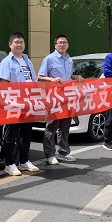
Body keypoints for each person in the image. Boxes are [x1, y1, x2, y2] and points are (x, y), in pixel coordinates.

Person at [37, 34, 83, 164]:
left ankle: (63, 152)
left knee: (65, 126)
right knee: (52, 126)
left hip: (67, 97)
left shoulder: (69, 59)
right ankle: (50, 154)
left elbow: (68, 76)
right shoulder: (49, 59)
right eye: (60, 42)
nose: (62, 44)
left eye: (64, 42)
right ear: (55, 45)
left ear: (68, 44)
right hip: (54, 97)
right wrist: (52, 79)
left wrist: (76, 77)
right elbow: (40, 76)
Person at [0, 32, 40, 176]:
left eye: (21, 42)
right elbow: (3, 84)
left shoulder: (28, 61)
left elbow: (34, 81)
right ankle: (10, 164)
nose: (19, 45)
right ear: (10, 44)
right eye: (16, 42)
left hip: (28, 103)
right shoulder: (6, 62)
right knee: (11, 135)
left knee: (26, 134)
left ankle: (24, 161)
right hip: (14, 103)